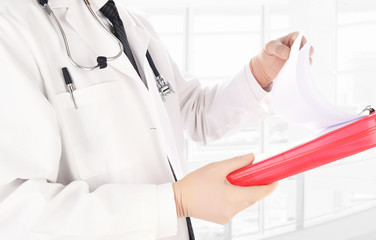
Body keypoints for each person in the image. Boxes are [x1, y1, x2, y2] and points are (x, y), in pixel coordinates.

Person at [0, 0, 313, 239]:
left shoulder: (129, 22)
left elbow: (193, 111)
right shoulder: (12, 27)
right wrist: (173, 202)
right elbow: (13, 212)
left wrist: (259, 75)